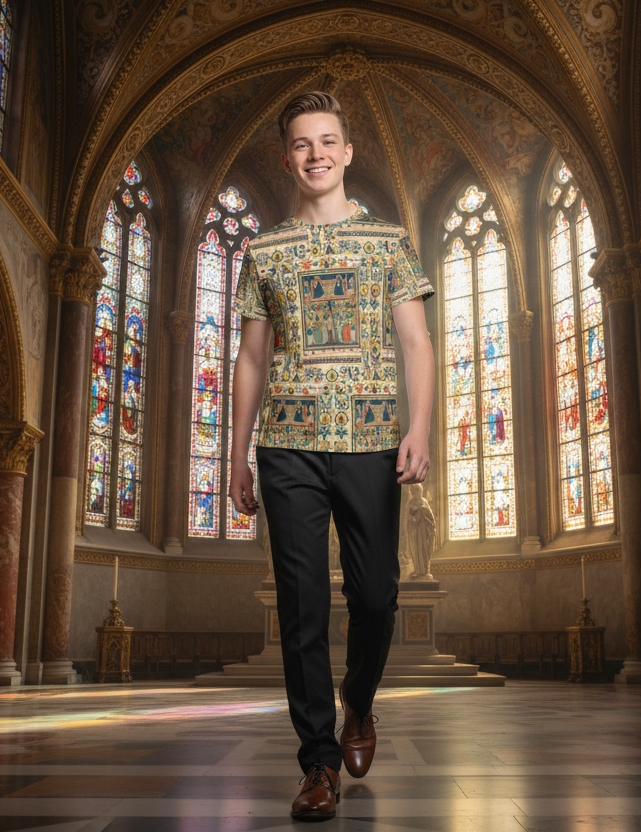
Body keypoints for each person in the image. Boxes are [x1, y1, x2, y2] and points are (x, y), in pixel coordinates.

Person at [228, 91, 435, 822]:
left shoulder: (389, 241)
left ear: (347, 153)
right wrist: (236, 454)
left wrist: (420, 428)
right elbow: (252, 358)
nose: (315, 154)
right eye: (301, 143)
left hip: (371, 439)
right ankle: (318, 761)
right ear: (287, 158)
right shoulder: (263, 251)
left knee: (376, 594)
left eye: (327, 141)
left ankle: (360, 702)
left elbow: (416, 343)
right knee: (302, 607)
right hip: (287, 443)